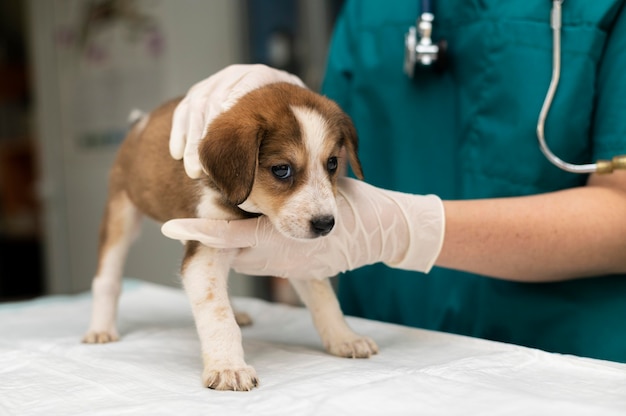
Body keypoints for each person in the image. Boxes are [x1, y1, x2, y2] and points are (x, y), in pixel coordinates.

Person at [162, 1, 626, 363]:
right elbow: (325, 146)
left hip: (560, 345)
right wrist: (276, 105)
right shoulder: (373, 6)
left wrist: (408, 227)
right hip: (386, 333)